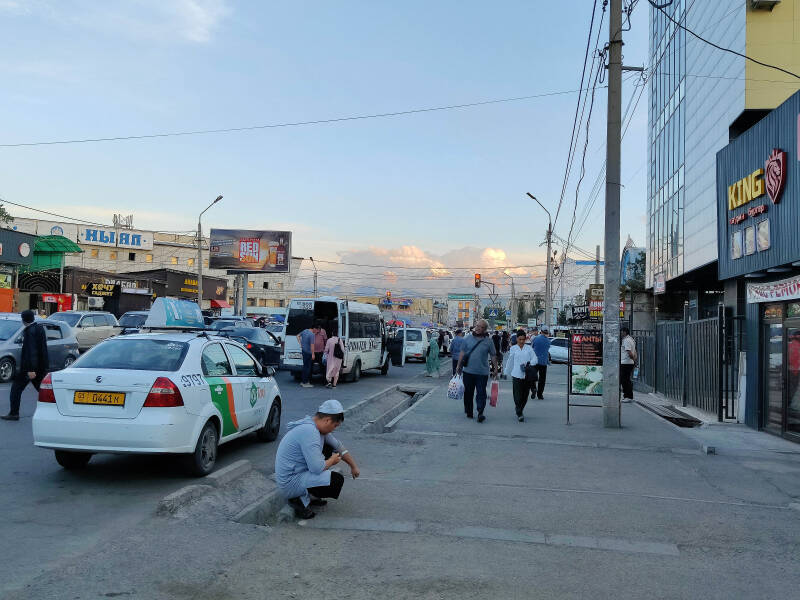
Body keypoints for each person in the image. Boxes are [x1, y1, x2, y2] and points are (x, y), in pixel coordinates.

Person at [275, 400, 360, 519]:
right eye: (335, 426)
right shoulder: (310, 432)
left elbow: (338, 446)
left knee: (328, 447)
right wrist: (332, 461)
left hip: (297, 474)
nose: (333, 429)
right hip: (290, 483)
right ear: (327, 420)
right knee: (336, 481)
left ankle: (310, 495)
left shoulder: (314, 427)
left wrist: (353, 466)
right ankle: (298, 499)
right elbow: (316, 468)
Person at [3, 310, 48, 421]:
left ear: (24, 320)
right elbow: (42, 349)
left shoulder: (29, 331)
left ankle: (14, 413)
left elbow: (31, 351)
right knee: (44, 390)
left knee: (16, 389)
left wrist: (31, 369)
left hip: (30, 368)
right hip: (40, 367)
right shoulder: (39, 328)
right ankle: (59, 408)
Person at [456, 319, 498, 423]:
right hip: (468, 372)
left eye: (481, 327)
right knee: (468, 393)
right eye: (477, 326)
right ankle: (469, 411)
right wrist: (458, 366)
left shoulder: (488, 341)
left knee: (481, 393)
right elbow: (462, 352)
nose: (478, 328)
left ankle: (480, 412)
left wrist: (496, 369)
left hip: (482, 373)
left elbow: (493, 355)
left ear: (485, 329)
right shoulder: (467, 338)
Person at [503, 329, 537, 421]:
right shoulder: (513, 348)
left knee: (525, 395)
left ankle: (520, 409)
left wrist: (529, 363)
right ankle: (519, 412)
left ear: (525, 339)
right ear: (517, 339)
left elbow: (535, 359)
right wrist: (506, 372)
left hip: (527, 375)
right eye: (520, 339)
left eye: (523, 339)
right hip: (516, 374)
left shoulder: (529, 348)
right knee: (517, 395)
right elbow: (510, 361)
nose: (522, 341)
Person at [296, 324, 319, 388]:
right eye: (317, 330)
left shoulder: (305, 330)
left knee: (305, 367)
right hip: (308, 353)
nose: (317, 332)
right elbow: (312, 346)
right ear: (314, 328)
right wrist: (313, 354)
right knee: (308, 368)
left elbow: (297, 336)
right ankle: (305, 382)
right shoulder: (312, 335)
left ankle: (303, 381)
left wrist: (300, 344)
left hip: (304, 351)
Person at [532, 328, 551, 400]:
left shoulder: (535, 339)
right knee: (542, 379)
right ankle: (540, 394)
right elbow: (546, 350)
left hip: (535, 361)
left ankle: (533, 388)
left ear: (541, 332)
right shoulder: (548, 341)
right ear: (546, 333)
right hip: (543, 362)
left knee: (532, 377)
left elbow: (532, 347)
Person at [620, 326, 637, 402]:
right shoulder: (631, 339)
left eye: (621, 332)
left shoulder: (626, 340)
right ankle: (628, 396)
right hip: (628, 363)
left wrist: (633, 359)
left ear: (624, 332)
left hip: (625, 363)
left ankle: (628, 396)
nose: (620, 333)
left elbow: (629, 352)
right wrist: (634, 360)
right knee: (626, 379)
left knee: (625, 380)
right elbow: (635, 351)